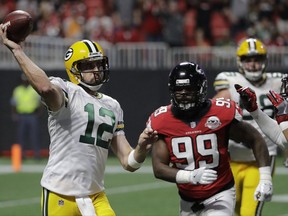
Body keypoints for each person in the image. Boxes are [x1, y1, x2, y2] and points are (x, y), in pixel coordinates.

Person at [0, 25, 158, 216]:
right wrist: (17, 51)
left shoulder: (113, 105)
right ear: (74, 69)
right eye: (89, 66)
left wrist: (141, 148)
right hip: (60, 192)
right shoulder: (66, 90)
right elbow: (45, 88)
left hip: (96, 195)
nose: (96, 69)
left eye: (99, 64)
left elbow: (128, 162)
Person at [147, 61, 273, 216]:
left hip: (220, 193)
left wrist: (265, 177)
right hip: (187, 200)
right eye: (179, 89)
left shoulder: (220, 112)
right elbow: (159, 168)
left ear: (201, 88)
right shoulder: (162, 120)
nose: (184, 93)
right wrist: (190, 176)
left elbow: (255, 138)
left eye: (190, 88)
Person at [213, 38, 283, 216]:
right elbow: (215, 109)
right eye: (248, 60)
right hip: (232, 157)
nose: (253, 64)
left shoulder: (278, 82)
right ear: (240, 62)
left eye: (257, 59)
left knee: (249, 212)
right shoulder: (229, 81)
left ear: (265, 61)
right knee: (229, 207)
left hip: (262, 158)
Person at [11, 73, 42, 159]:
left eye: (26, 80)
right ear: (21, 80)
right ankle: (21, 155)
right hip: (21, 116)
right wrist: (14, 114)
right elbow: (13, 103)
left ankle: (37, 155)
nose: (25, 81)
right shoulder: (17, 90)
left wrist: (39, 113)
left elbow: (40, 102)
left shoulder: (33, 89)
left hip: (32, 115)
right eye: (23, 80)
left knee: (35, 136)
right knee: (21, 136)